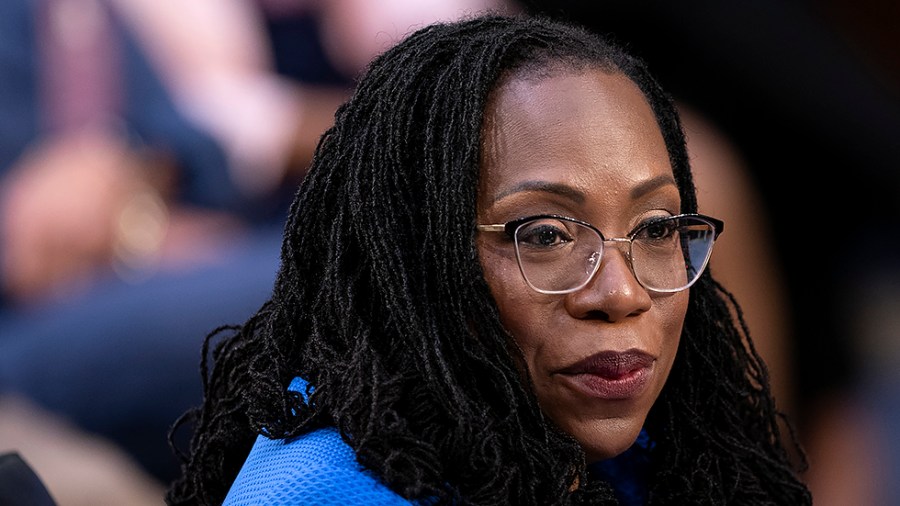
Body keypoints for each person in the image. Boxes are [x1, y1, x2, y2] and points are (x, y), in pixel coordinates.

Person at [167, 14, 812, 505]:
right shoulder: (324, 491)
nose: (620, 295)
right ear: (416, 255)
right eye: (546, 235)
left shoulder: (650, 459)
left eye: (654, 229)